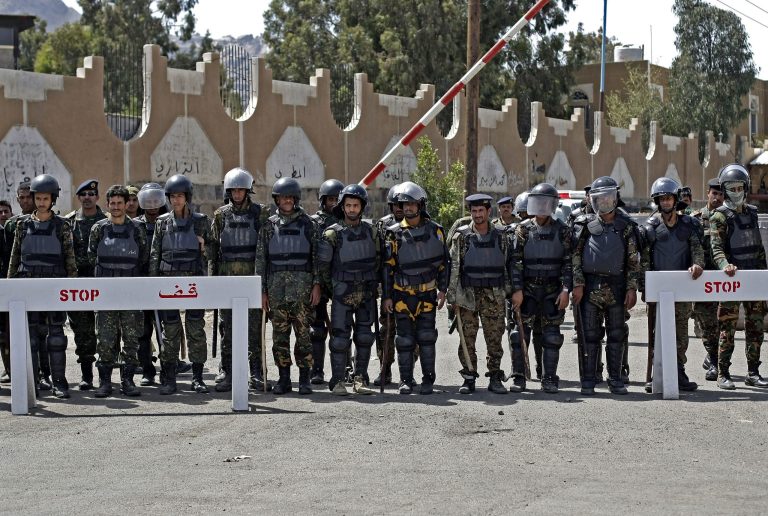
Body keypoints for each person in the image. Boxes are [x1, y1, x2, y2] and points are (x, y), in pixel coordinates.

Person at [7, 174, 77, 398]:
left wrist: (72, 288)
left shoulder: (62, 225)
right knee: (31, 336)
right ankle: (33, 382)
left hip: (54, 286)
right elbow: (15, 256)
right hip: (28, 285)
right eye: (38, 198)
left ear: (53, 199)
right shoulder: (22, 225)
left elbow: (70, 259)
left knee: (56, 336)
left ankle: (59, 382)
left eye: (46, 199)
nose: (41, 202)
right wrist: (10, 286)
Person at [572, 176, 641, 395]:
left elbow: (632, 261)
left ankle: (616, 379)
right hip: (591, 287)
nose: (604, 202)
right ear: (594, 200)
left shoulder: (626, 226)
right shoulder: (583, 224)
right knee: (589, 336)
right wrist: (578, 284)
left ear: (614, 198)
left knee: (616, 335)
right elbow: (574, 256)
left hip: (617, 288)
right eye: (599, 198)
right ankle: (589, 379)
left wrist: (631, 288)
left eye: (608, 197)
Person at [255, 177, 322, 395]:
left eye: (290, 197)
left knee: (303, 336)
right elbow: (261, 261)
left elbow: (316, 259)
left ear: (295, 198)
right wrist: (262, 291)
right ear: (277, 199)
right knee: (279, 338)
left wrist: (316, 285)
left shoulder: (309, 224)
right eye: (282, 197)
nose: (286, 201)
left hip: (302, 291)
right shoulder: (268, 226)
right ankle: (284, 379)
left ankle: (305, 379)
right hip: (276, 291)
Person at [382, 181, 449, 395]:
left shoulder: (436, 231)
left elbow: (444, 264)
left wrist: (443, 290)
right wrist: (386, 297)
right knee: (404, 340)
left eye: (412, 204)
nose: (408, 208)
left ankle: (428, 380)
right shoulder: (393, 233)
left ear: (420, 205)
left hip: (427, 294)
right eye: (404, 204)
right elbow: (387, 269)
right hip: (402, 295)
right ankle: (405, 380)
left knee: (427, 337)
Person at [208, 167, 270, 392]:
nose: (236, 194)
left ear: (248, 190)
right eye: (233, 190)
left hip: (251, 280)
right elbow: (213, 250)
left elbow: (264, 250)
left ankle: (256, 371)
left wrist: (263, 284)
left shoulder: (260, 213)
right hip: (227, 280)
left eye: (240, 190)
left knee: (254, 329)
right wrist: (212, 281)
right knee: (228, 329)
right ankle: (228, 371)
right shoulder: (220, 214)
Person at [149, 174, 212, 395]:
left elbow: (214, 252)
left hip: (194, 283)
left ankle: (197, 377)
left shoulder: (201, 221)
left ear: (187, 197)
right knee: (170, 331)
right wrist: (152, 286)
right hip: (168, 284)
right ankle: (169, 377)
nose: (176, 200)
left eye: (180, 196)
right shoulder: (162, 222)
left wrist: (204, 246)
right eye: (172, 196)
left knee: (196, 330)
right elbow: (155, 255)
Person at [640, 177, 704, 393]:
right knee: (655, 333)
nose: (666, 202)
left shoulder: (688, 225)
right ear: (657, 202)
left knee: (681, 333)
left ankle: (679, 372)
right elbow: (645, 259)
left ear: (675, 199)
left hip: (682, 288)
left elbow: (697, 249)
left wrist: (697, 264)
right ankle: (654, 375)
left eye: (669, 198)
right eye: (662, 199)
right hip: (658, 289)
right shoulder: (651, 227)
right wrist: (645, 286)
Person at [509, 183, 573, 394]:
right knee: (519, 335)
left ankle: (549, 377)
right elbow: (515, 262)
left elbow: (568, 263)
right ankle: (519, 376)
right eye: (540, 201)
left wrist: (566, 290)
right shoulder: (523, 229)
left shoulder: (563, 230)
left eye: (547, 202)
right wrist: (516, 290)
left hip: (552, 290)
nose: (543, 206)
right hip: (527, 290)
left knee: (552, 336)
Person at [709, 164, 768, 389]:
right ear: (724, 190)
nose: (736, 192)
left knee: (755, 327)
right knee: (727, 328)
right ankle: (723, 373)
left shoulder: (752, 213)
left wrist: (764, 279)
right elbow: (716, 249)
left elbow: (758, 247)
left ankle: (753, 372)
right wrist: (725, 266)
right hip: (731, 280)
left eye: (739, 188)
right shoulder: (719, 217)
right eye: (731, 188)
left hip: (754, 278)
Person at [319, 184, 381, 396]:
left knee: (364, 337)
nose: (352, 209)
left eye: (356, 205)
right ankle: (337, 381)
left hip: (366, 293)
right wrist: (334, 288)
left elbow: (379, 262)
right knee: (339, 339)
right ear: (342, 207)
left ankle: (360, 378)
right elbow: (324, 269)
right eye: (348, 205)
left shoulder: (372, 232)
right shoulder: (331, 235)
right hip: (342, 293)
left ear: (361, 207)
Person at [89, 185, 149, 398]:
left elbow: (143, 259)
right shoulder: (99, 229)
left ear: (126, 204)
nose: (116, 207)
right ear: (107, 205)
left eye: (119, 203)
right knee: (105, 340)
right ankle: (105, 382)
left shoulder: (137, 229)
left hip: (130, 295)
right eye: (112, 203)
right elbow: (91, 257)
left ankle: (128, 381)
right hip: (105, 296)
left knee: (131, 340)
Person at [448, 193, 510, 394]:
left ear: (488, 211)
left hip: (494, 296)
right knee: (466, 339)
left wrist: (511, 293)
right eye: (473, 211)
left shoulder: (502, 236)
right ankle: (469, 377)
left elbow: (508, 266)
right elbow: (454, 268)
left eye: (480, 211)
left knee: (494, 339)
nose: (477, 215)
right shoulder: (461, 237)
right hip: (467, 296)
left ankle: (494, 377)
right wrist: (452, 298)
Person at [65, 179, 106, 391]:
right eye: (83, 195)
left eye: (91, 194)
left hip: (101, 283)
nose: (87, 198)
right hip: (78, 285)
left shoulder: (106, 220)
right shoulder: (68, 222)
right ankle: (87, 376)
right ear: (79, 197)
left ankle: (105, 377)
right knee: (82, 331)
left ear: (97, 197)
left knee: (105, 331)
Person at [309, 178, 345, 384]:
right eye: (329, 199)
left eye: (336, 199)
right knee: (318, 329)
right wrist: (315, 282)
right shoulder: (314, 222)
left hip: (340, 280)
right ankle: (317, 370)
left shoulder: (346, 220)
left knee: (342, 327)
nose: (333, 203)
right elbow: (312, 254)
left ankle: (345, 369)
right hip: (320, 281)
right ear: (323, 200)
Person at [0, 183, 36, 386]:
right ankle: (11, 370)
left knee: (40, 331)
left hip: (37, 282)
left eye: (28, 197)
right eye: (21, 197)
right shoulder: (12, 225)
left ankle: (42, 373)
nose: (25, 201)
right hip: (14, 282)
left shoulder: (47, 221)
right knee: (8, 332)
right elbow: (8, 257)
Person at [690, 178, 724, 381]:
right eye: (714, 193)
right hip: (703, 279)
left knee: (722, 322)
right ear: (708, 193)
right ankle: (713, 357)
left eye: (721, 194)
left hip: (723, 277)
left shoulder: (727, 217)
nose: (717, 197)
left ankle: (715, 359)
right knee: (706, 320)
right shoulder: (695, 219)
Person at [134, 183, 167, 386]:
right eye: (148, 202)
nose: (152, 206)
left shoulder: (168, 223)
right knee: (143, 331)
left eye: (156, 201)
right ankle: (147, 370)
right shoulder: (135, 225)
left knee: (166, 330)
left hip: (163, 283)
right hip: (141, 283)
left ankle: (169, 369)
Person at [374, 184, 404, 386]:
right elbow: (377, 255)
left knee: (412, 333)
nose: (400, 208)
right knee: (386, 330)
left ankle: (407, 371)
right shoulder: (383, 226)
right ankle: (385, 369)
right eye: (396, 205)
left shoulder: (420, 223)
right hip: (388, 285)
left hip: (411, 285)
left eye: (404, 204)